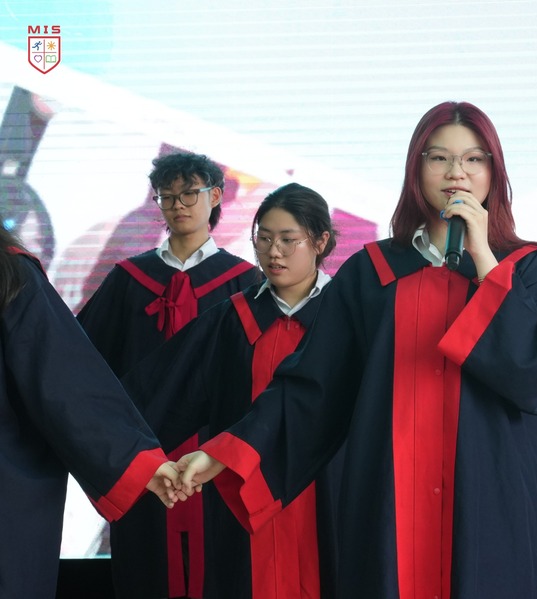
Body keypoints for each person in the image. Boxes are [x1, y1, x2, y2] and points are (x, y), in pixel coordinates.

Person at [175, 101, 537, 599]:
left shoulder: (529, 269)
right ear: (416, 169)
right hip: (388, 507)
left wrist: (484, 260)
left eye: (474, 159)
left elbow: (536, 368)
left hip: (490, 503)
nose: (456, 173)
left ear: (494, 172)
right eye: (439, 158)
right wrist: (227, 453)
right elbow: (311, 388)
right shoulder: (371, 274)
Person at [116, 183, 339, 598]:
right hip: (241, 504)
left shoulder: (349, 318)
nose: (273, 253)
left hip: (330, 497)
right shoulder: (232, 320)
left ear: (321, 241)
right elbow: (161, 391)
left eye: (288, 240)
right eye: (264, 239)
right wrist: (125, 452)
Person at [77, 151, 260, 599]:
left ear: (215, 196)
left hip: (215, 453)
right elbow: (85, 364)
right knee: (145, 566)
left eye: (190, 193)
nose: (178, 205)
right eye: (167, 196)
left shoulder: (244, 282)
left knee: (220, 565)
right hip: (144, 451)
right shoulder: (128, 279)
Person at [0, 228, 179, 599]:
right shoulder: (12, 271)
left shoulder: (10, 273)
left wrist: (135, 460)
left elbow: (61, 377)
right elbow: (62, 377)